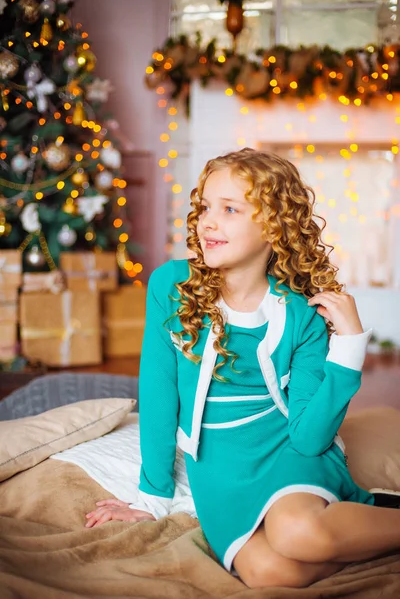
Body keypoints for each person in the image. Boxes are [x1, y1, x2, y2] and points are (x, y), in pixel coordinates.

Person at [85, 148, 400, 589]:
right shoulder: (170, 286)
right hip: (218, 464)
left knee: (298, 532)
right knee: (273, 573)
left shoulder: (301, 312)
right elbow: (159, 395)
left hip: (288, 451)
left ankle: (346, 524)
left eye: (229, 209)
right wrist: (152, 497)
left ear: (275, 225)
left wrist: (348, 346)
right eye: (205, 207)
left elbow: (309, 439)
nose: (208, 221)